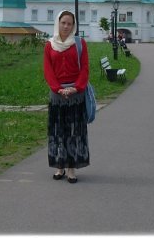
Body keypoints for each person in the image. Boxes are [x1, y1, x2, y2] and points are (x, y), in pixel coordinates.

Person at [43, 10, 90, 183]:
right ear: (58, 23)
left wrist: (76, 88)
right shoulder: (49, 45)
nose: (66, 26)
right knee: (58, 131)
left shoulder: (79, 43)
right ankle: (59, 166)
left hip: (76, 95)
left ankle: (71, 169)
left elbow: (84, 68)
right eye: (63, 22)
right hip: (57, 96)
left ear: (73, 26)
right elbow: (48, 70)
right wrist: (57, 88)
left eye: (69, 23)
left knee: (75, 131)